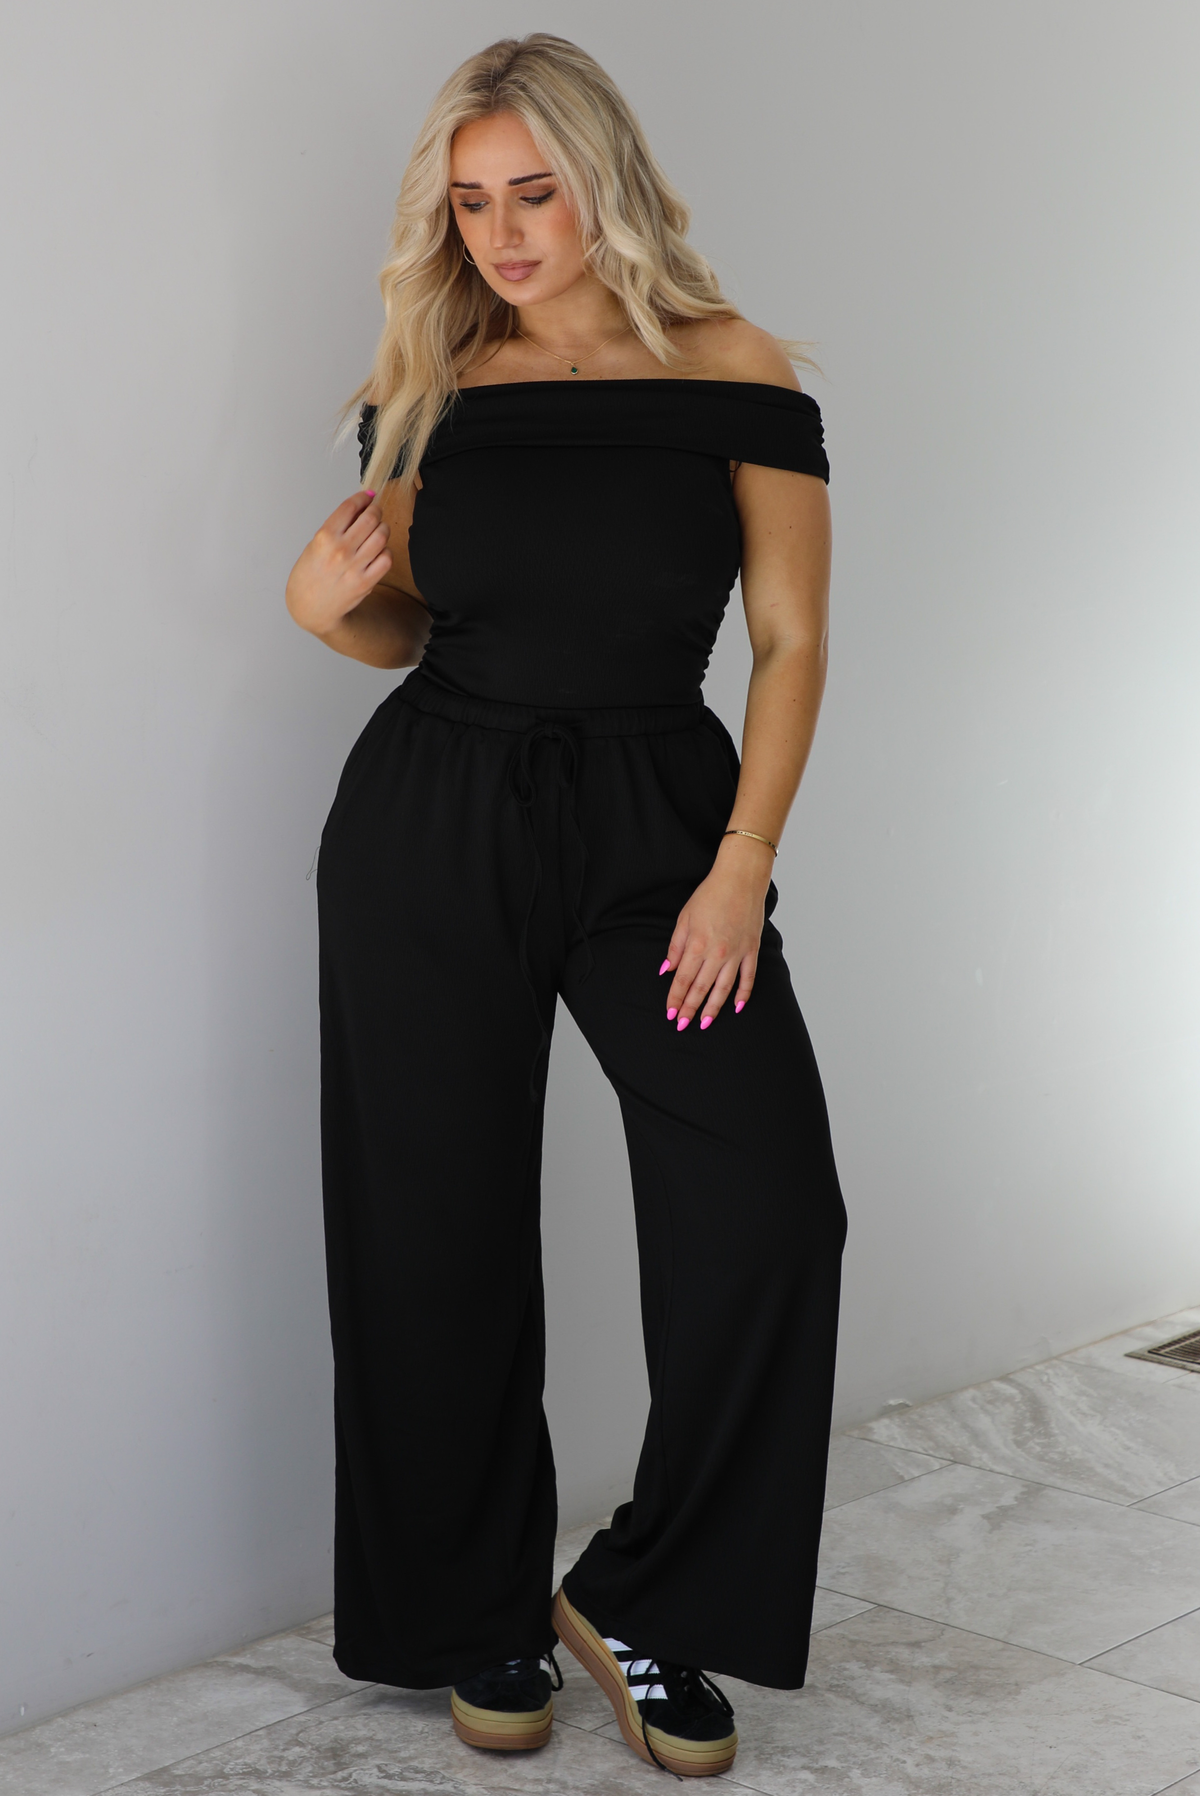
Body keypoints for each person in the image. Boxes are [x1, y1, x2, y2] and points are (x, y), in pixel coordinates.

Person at [285, 32, 846, 1780]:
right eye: (471, 203)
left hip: (663, 830)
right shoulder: (433, 372)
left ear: (604, 175)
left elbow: (791, 638)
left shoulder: (736, 366)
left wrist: (743, 859)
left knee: (768, 1206)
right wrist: (323, 612)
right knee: (430, 1232)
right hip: (430, 821)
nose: (506, 234)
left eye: (534, 192)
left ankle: (650, 1598)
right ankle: (474, 1619)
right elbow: (409, 631)